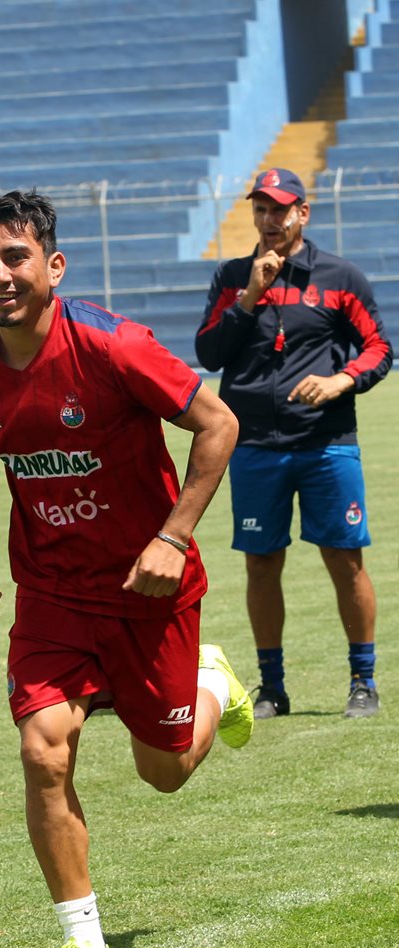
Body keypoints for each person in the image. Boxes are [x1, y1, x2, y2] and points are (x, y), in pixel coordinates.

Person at [0, 191, 251, 948]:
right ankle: (84, 942)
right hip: (52, 595)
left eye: (15, 257)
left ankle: (214, 679)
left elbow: (218, 426)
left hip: (149, 590)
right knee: (42, 747)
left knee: (167, 771)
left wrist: (171, 536)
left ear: (53, 264)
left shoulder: (115, 346)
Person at [196, 168, 392, 720]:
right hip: (255, 445)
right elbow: (209, 352)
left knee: (344, 560)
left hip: (328, 442)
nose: (270, 220)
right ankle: (272, 688)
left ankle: (363, 680)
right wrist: (249, 297)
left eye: (281, 210)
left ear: (302, 213)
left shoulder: (339, 276)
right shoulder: (233, 277)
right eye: (261, 209)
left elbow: (378, 348)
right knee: (261, 565)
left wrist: (340, 380)